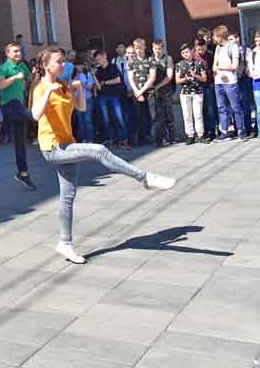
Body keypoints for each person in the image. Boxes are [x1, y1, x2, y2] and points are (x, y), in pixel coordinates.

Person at [30, 48, 176, 264]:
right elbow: (35, 115)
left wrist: (78, 90)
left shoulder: (62, 85)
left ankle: (65, 242)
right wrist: (49, 92)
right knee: (98, 150)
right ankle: (144, 178)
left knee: (67, 197)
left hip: (67, 143)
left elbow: (80, 108)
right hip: (52, 148)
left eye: (63, 61)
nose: (63, 65)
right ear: (46, 65)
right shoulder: (41, 87)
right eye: (59, 62)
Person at [0, 42, 37, 190]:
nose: (18, 54)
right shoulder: (4, 68)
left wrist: (35, 73)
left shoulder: (22, 66)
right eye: (15, 52)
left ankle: (23, 173)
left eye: (19, 51)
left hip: (19, 105)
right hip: (9, 105)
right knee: (31, 115)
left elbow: (30, 79)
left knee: (20, 143)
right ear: (7, 53)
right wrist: (14, 77)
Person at [212, 25, 248, 141]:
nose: (214, 38)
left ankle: (241, 130)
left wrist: (220, 68)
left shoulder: (233, 47)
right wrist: (218, 70)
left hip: (230, 82)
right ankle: (224, 131)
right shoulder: (218, 48)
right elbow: (214, 66)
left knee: (235, 106)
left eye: (215, 36)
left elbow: (235, 66)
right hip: (219, 82)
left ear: (220, 36)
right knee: (221, 107)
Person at [128, 38, 162, 147]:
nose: (138, 50)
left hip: (149, 92)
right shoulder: (131, 62)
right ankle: (143, 138)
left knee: (154, 116)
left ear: (144, 47)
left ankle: (158, 139)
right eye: (136, 48)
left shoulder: (150, 60)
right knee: (140, 116)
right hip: (137, 93)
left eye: (140, 48)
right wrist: (137, 92)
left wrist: (141, 91)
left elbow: (152, 77)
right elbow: (130, 78)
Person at [93, 50, 127, 148]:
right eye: (97, 60)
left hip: (114, 95)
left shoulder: (113, 66)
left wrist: (105, 82)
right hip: (102, 96)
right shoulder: (98, 70)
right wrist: (93, 75)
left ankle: (123, 139)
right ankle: (110, 139)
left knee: (119, 117)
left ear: (105, 56)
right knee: (106, 119)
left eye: (99, 59)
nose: (98, 61)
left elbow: (118, 80)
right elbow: (99, 87)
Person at [176, 43, 207, 145]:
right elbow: (177, 80)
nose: (186, 54)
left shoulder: (198, 63)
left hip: (197, 92)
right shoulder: (179, 65)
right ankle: (190, 135)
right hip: (185, 93)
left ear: (191, 51)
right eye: (183, 53)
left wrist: (195, 76)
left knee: (198, 114)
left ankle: (200, 135)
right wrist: (185, 78)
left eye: (187, 52)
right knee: (187, 115)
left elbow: (204, 78)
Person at [151, 40, 176, 145]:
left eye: (159, 48)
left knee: (169, 114)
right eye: (155, 49)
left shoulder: (168, 58)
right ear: (153, 49)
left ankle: (172, 137)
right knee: (158, 116)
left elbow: (169, 77)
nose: (157, 51)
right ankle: (161, 138)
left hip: (166, 91)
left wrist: (157, 86)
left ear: (163, 48)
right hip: (154, 93)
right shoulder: (150, 60)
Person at [230, 32, 255, 135]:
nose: (230, 42)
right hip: (232, 79)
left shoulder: (246, 50)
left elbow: (249, 64)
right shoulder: (228, 51)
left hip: (244, 79)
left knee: (245, 104)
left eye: (231, 39)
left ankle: (248, 128)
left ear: (237, 39)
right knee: (235, 105)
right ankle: (238, 128)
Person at [194, 37, 216, 141]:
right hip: (196, 86)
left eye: (202, 49)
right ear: (195, 48)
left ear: (206, 47)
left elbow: (213, 70)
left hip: (208, 85)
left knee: (210, 109)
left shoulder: (210, 55)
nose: (201, 51)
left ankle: (212, 131)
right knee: (200, 110)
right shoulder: (193, 56)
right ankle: (203, 131)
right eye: (199, 49)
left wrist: (213, 83)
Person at [73, 60, 95, 142]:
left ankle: (90, 139)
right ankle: (83, 139)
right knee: (80, 121)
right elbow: (71, 88)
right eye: (78, 65)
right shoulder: (73, 76)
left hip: (87, 99)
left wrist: (80, 83)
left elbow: (89, 88)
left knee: (88, 120)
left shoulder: (87, 74)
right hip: (77, 100)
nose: (80, 67)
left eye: (81, 65)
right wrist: (75, 78)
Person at [246, 30, 260, 138]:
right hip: (256, 83)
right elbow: (249, 68)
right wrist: (250, 73)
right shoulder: (252, 53)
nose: (258, 43)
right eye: (256, 41)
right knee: (259, 109)